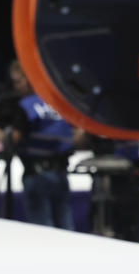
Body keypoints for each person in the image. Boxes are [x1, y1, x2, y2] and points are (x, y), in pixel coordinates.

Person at [8, 60, 84, 230]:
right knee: (66, 228)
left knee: (43, 231)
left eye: (18, 81)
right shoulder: (60, 103)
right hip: (60, 174)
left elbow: (12, 140)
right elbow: (79, 135)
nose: (16, 87)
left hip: (37, 175)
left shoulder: (27, 105)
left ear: (30, 79)